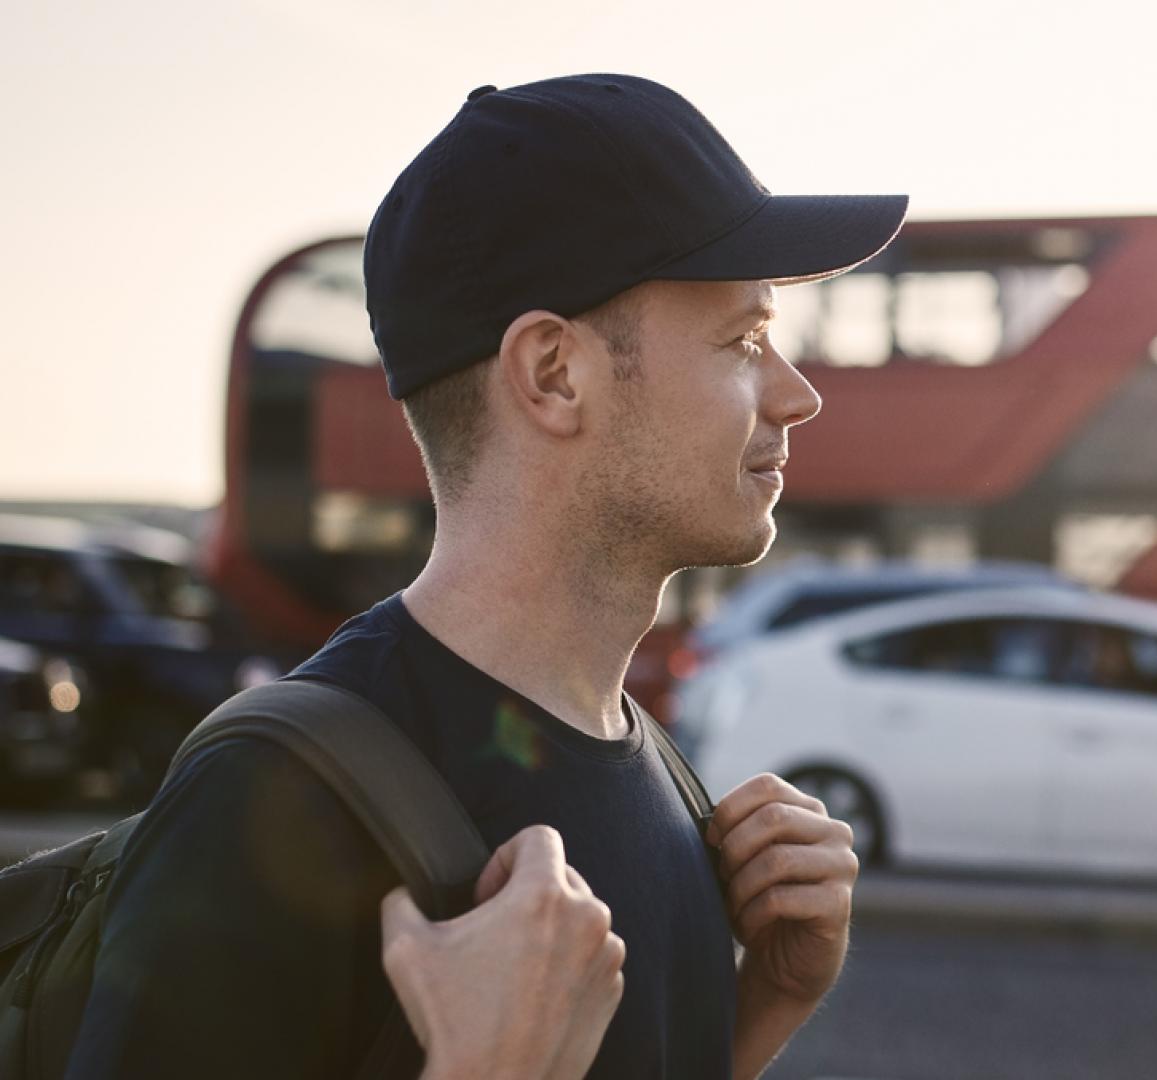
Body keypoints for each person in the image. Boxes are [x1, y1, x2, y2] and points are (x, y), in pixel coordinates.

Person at [65, 73, 908, 1079]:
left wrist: (759, 1009)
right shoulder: (269, 801)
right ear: (554, 372)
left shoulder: (658, 775)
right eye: (742, 340)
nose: (798, 394)